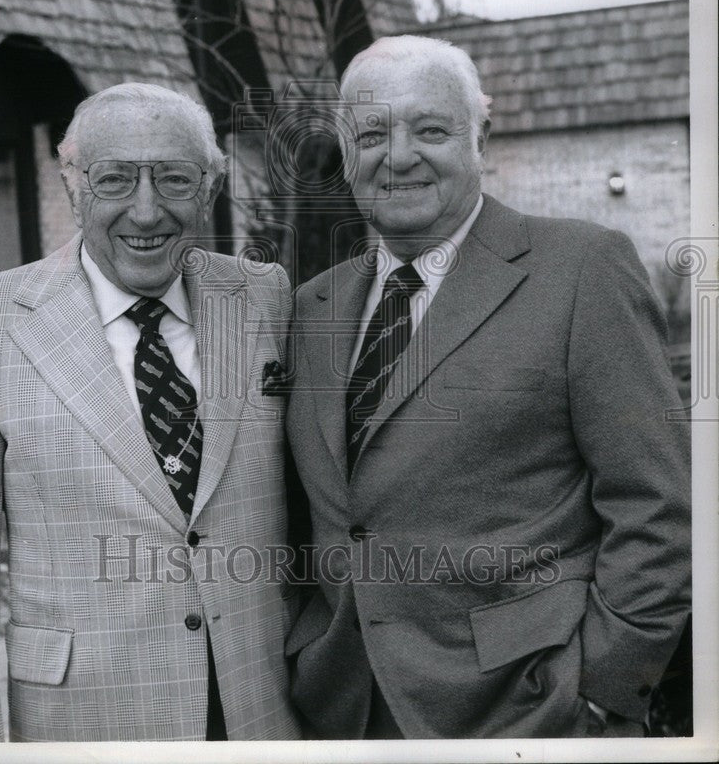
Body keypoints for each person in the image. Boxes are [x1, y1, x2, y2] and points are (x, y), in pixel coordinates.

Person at [284, 36, 690, 739]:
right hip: (347, 709)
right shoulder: (312, 304)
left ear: (481, 137)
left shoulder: (581, 270)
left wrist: (605, 688)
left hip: (530, 709)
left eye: (431, 129)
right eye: (372, 133)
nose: (399, 155)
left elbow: (658, 505)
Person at [0, 83, 300, 741]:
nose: (145, 209)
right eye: (114, 180)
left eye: (173, 179)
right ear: (73, 188)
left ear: (209, 189)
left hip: (260, 710)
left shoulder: (263, 296)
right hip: (82, 720)